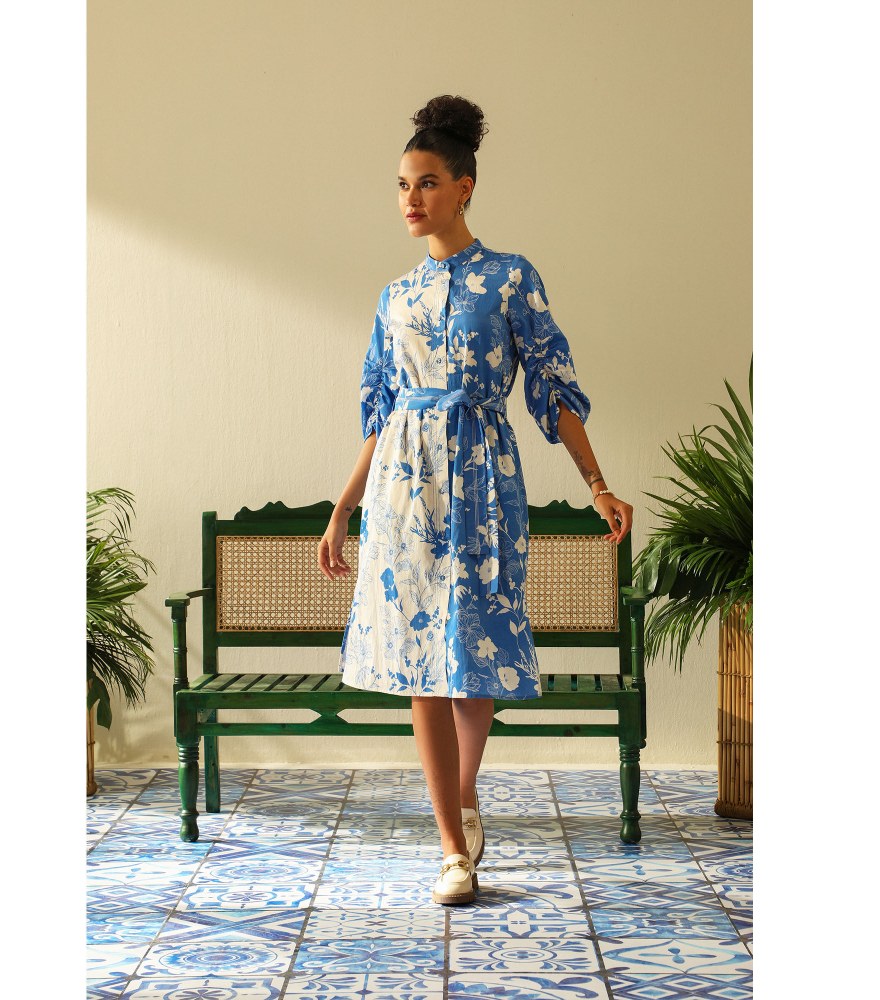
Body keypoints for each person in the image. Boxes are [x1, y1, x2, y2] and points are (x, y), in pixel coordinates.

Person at [318, 95, 633, 905]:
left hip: (486, 480)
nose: (411, 199)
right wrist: (344, 507)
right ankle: (453, 847)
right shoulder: (395, 298)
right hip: (405, 487)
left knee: (474, 654)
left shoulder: (511, 277)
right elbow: (382, 411)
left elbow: (553, 387)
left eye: (426, 183)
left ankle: (461, 791)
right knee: (422, 663)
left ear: (464, 188)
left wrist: (597, 484)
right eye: (401, 185)